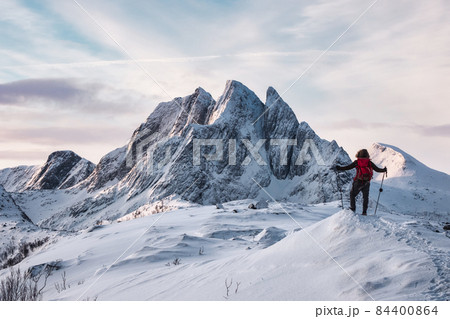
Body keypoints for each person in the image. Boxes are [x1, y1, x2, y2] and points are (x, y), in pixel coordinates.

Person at [333, 149, 387, 215]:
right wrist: (384, 170)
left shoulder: (357, 162)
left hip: (358, 181)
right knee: (365, 197)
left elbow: (348, 167)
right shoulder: (369, 162)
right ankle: (364, 212)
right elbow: (377, 169)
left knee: (352, 194)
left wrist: (339, 168)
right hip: (367, 182)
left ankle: (352, 209)